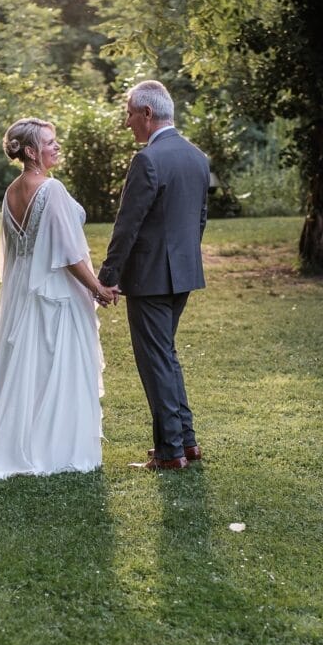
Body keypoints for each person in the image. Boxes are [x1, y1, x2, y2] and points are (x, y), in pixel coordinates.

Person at [0, 117, 115, 480]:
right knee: (56, 366)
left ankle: (18, 440)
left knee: (25, 368)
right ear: (30, 151)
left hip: (22, 288)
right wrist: (97, 288)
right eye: (50, 142)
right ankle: (54, 448)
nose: (56, 147)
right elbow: (68, 253)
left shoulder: (10, 192)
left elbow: (16, 251)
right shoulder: (50, 190)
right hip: (54, 289)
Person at [98, 80, 209, 470]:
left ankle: (170, 453)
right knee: (167, 356)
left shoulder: (148, 160)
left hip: (149, 277)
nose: (128, 121)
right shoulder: (197, 157)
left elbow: (127, 226)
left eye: (130, 113)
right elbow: (199, 221)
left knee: (156, 361)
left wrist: (108, 276)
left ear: (147, 114)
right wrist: (182, 261)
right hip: (183, 274)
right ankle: (187, 443)